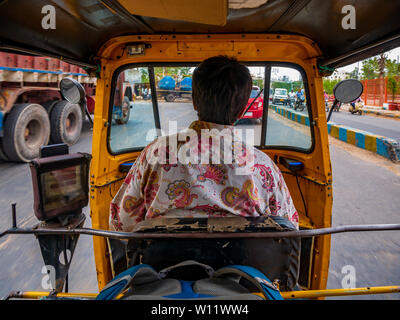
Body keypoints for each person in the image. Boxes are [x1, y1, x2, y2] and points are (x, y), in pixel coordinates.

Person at [110, 56, 299, 232]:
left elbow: (121, 222)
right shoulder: (263, 167)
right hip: (244, 266)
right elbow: (289, 228)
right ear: (242, 111)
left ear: (194, 102)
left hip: (160, 266)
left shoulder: (157, 153)